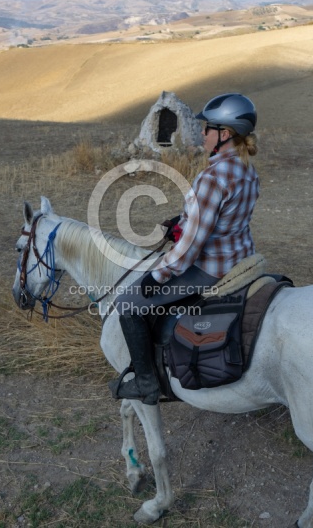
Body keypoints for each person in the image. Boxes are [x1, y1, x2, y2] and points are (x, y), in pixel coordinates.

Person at [109, 93, 260, 405]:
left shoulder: (213, 176)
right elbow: (227, 218)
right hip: (240, 257)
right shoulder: (246, 169)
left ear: (225, 135)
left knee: (128, 304)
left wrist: (156, 277)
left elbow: (189, 250)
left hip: (210, 269)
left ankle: (146, 384)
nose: (202, 133)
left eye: (207, 128)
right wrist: (184, 218)